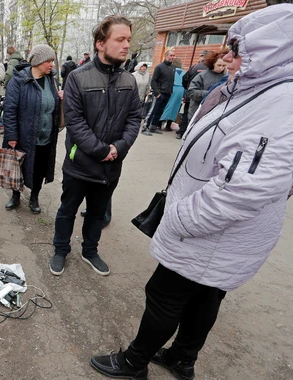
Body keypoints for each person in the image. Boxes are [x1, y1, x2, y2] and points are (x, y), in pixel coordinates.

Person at [90, 5, 293, 379]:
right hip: (215, 231)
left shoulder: (280, 105)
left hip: (208, 228)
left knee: (165, 295)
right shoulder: (255, 91)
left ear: (270, 53)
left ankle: (134, 363)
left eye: (238, 48)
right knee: (206, 294)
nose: (227, 56)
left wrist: (180, 217)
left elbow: (241, 191)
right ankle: (182, 358)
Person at [50, 15, 141, 276]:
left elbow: (135, 119)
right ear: (100, 43)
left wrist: (118, 148)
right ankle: (60, 250)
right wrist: (102, 150)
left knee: (97, 213)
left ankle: (90, 250)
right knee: (67, 210)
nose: (126, 46)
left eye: (128, 40)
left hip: (111, 167)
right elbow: (75, 123)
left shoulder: (129, 81)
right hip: (80, 165)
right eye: (120, 39)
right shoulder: (78, 78)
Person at [2, 44, 63, 214]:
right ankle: (15, 196)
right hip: (23, 136)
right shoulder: (19, 81)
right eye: (48, 61)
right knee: (18, 167)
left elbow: (54, 107)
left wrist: (61, 99)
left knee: (40, 169)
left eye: (52, 60)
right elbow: (10, 110)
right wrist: (12, 135)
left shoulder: (52, 81)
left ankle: (34, 197)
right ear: (37, 61)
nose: (52, 64)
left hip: (45, 136)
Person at [186, 49, 228, 125]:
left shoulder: (226, 77)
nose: (221, 68)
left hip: (214, 114)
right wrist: (209, 94)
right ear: (213, 64)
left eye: (224, 66)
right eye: (219, 65)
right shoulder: (202, 76)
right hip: (197, 112)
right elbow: (191, 92)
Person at [143, 49, 176, 136]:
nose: (172, 57)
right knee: (153, 110)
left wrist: (171, 91)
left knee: (160, 111)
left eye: (173, 56)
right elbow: (153, 81)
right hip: (159, 93)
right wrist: (157, 93)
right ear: (166, 56)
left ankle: (153, 126)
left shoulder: (173, 68)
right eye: (171, 55)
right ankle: (145, 127)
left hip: (167, 93)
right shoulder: (159, 67)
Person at [176, 51, 209, 139]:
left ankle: (181, 132)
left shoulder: (195, 66)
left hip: (190, 94)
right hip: (204, 97)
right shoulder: (210, 69)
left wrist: (188, 89)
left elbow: (185, 78)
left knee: (187, 113)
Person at [159, 58, 185, 132]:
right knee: (175, 107)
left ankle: (159, 123)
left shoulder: (171, 71)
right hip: (180, 90)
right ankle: (168, 125)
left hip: (171, 88)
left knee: (166, 105)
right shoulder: (183, 72)